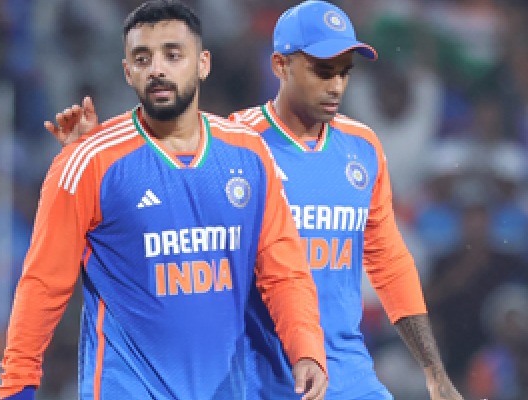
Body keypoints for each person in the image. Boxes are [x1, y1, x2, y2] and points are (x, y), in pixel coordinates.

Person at [48, 1, 464, 399]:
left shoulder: (363, 146)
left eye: (343, 72)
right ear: (280, 65)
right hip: (255, 377)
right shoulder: (237, 142)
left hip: (348, 374)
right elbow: (162, 211)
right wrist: (90, 157)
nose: (335, 85)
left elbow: (389, 263)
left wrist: (435, 372)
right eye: (322, 71)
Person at [0, 1, 328, 399]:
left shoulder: (249, 153)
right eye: (143, 58)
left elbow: (284, 268)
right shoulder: (89, 162)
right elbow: (42, 285)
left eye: (173, 55)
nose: (157, 68)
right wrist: (17, 386)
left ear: (203, 64)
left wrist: (306, 350)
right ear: (127, 72)